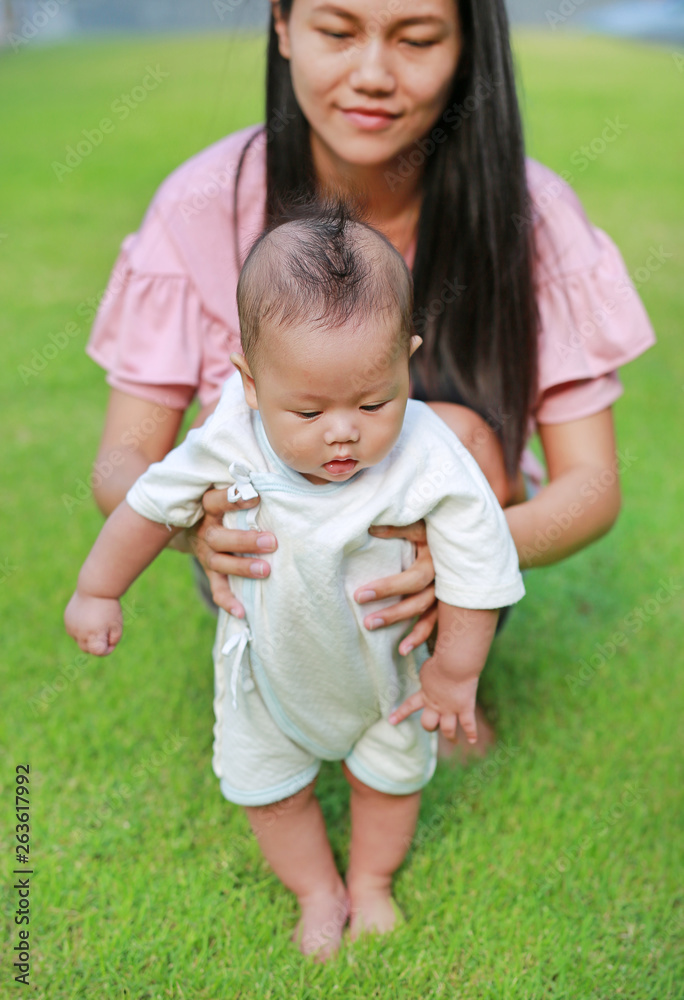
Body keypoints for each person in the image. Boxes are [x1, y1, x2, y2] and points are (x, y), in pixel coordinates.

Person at [85, 0, 655, 750]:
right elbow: (123, 460)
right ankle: (291, 689)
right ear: (283, 27)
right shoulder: (202, 202)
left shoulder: (532, 215)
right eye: (338, 32)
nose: (374, 75)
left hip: (437, 565)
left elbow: (593, 486)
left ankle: (436, 682)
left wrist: (465, 551)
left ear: (466, 46)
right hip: (269, 552)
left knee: (461, 437)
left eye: (416, 39)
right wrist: (196, 528)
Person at [65, 206, 525, 958]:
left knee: (391, 783)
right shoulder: (230, 437)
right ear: (250, 382)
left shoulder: (428, 452)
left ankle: (371, 881)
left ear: (408, 359)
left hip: (387, 672)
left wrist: (454, 671)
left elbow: (479, 564)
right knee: (270, 793)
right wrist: (99, 588)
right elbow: (148, 505)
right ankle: (317, 890)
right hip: (266, 673)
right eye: (307, 410)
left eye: (374, 402)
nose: (343, 431)